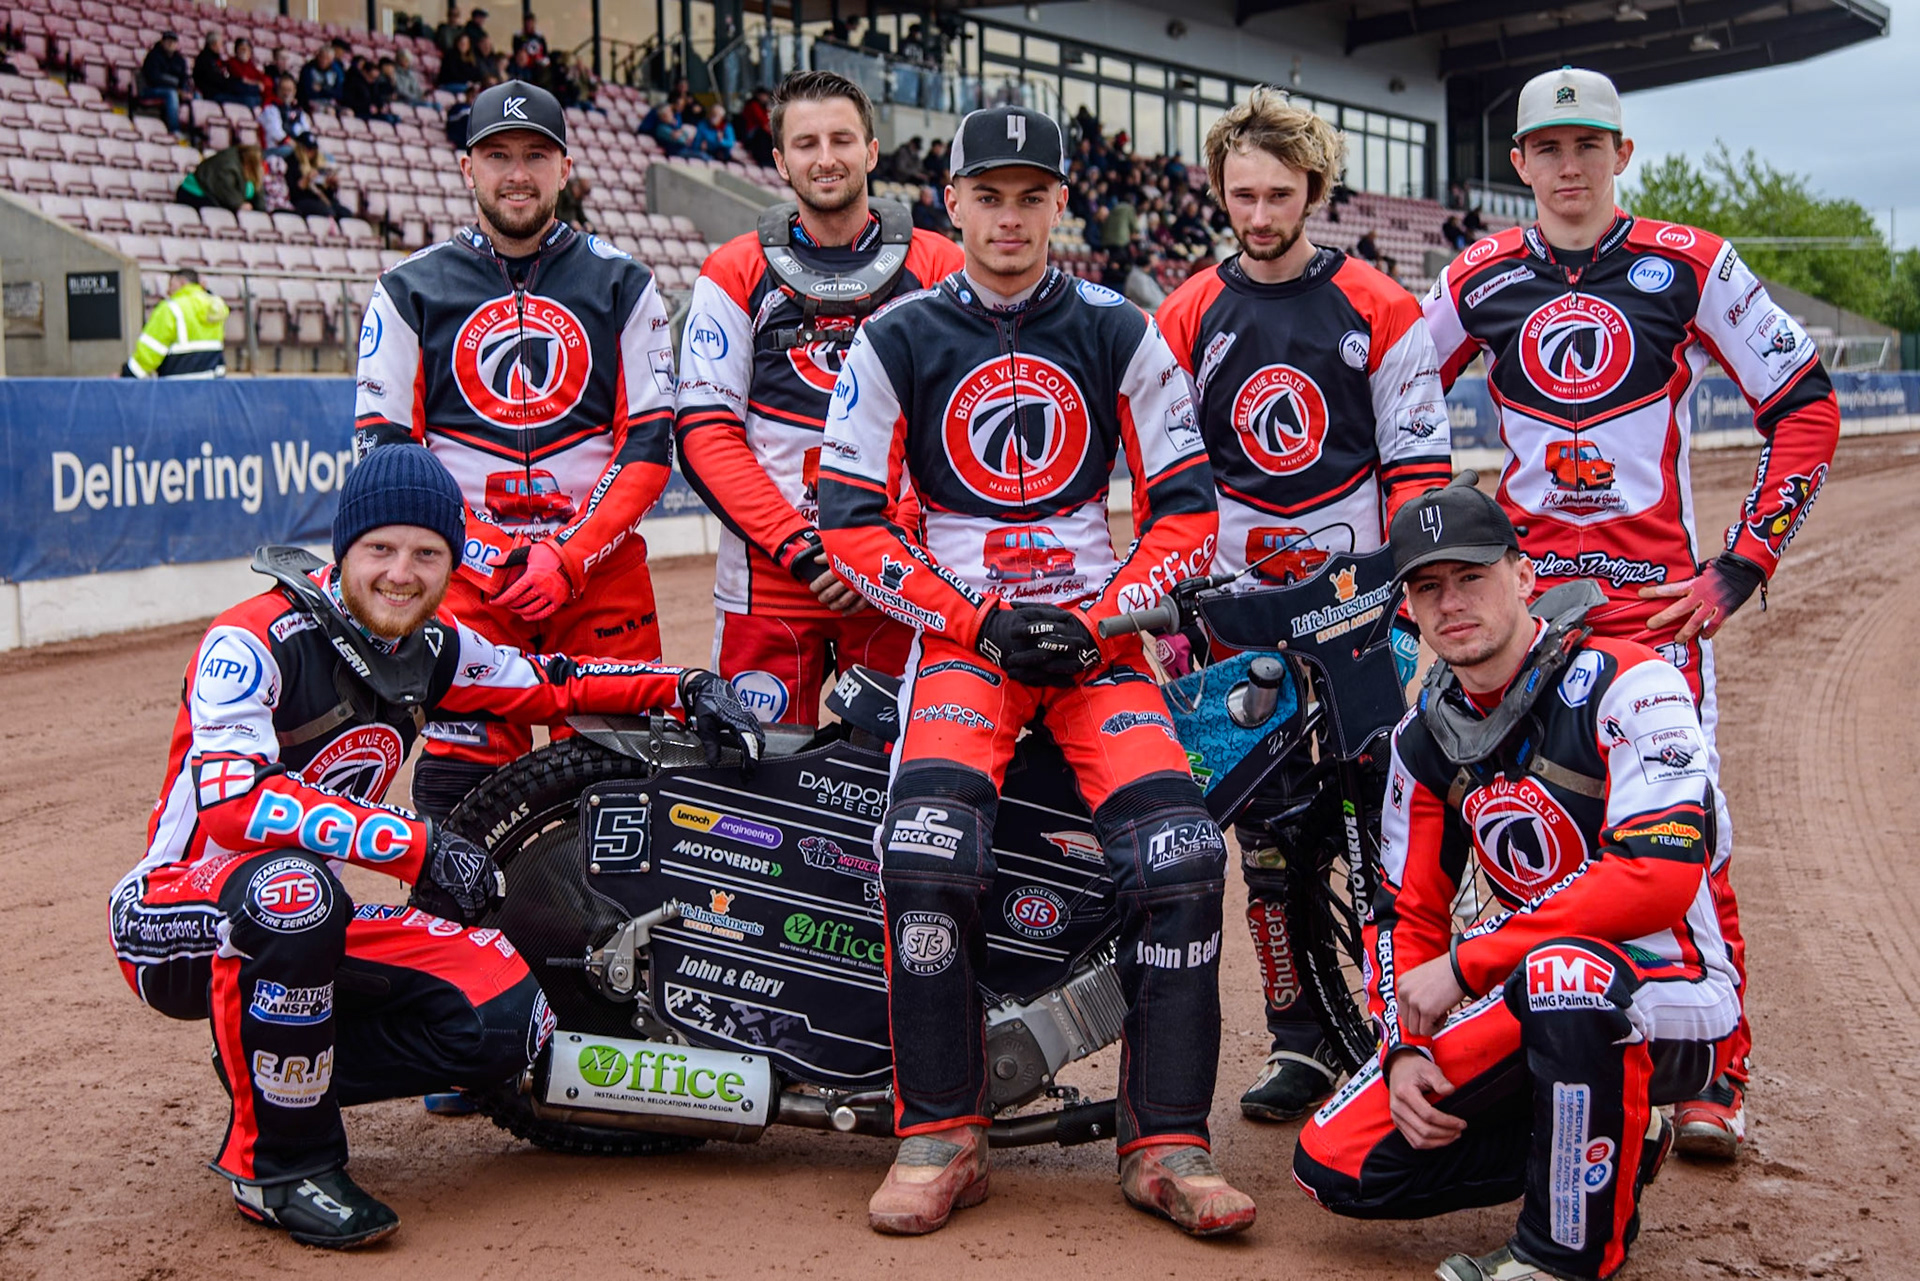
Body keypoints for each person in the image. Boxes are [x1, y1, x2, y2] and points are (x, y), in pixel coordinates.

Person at [108, 445, 762, 1250]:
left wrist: (681, 688)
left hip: (308, 914)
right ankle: (279, 1165)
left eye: (427, 553)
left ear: (453, 565)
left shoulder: (433, 646)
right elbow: (234, 802)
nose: (401, 573)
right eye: (379, 549)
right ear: (343, 549)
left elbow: (550, 680)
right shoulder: (248, 640)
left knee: (507, 1011)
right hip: (172, 908)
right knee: (295, 892)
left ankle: (281, 1075)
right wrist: (413, 844)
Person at [817, 104, 1255, 1238]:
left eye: (1032, 197)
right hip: (966, 647)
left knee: (1183, 854)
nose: (1010, 219)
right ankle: (942, 1134)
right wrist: (977, 617)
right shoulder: (897, 335)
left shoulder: (1121, 326)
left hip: (1098, 647)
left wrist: (1102, 620)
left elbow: (1188, 509)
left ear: (1062, 205)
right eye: (989, 196)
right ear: (950, 204)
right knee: (924, 849)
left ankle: (1165, 1145)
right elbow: (851, 523)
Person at [1420, 64, 1841, 1161]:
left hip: (1654, 620)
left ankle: (1716, 1073)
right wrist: (1423, 562)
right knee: (1505, 828)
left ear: (1622, 153)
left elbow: (1805, 408)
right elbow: (1395, 407)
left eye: (1588, 146)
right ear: (1517, 165)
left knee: (1681, 837)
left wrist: (1737, 571)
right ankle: (1542, 1046)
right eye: (1546, 150)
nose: (1568, 167)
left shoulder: (1693, 265)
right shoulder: (1476, 276)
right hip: (1517, 624)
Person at [1292, 476, 1740, 1281]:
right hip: (1536, 984)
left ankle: (1556, 1254)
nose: (1450, 602)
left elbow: (1656, 878)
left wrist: (1470, 963)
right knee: (1335, 1162)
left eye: (1471, 576)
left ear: (1525, 574)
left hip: (1676, 987)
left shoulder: (1632, 682)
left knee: (1560, 974)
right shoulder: (1422, 740)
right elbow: (1406, 912)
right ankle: (1614, 1133)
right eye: (1427, 587)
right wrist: (1402, 1045)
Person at [1155, 88, 1453, 1126]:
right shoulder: (1187, 311)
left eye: (1279, 194)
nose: (1259, 212)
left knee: (1385, 827)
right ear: (1221, 191)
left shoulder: (1381, 303)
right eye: (1241, 193)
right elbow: (1166, 478)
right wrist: (1177, 607)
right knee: (1267, 841)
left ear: (1313, 191)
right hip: (1232, 612)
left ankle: (1398, 1030)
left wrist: (1403, 598)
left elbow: (1419, 469)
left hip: (1361, 608)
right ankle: (1299, 1042)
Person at [353, 80, 680, 822]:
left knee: (617, 807)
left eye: (536, 154)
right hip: (471, 588)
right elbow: (383, 452)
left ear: (565, 167)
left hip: (599, 579)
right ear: (468, 168)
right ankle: (463, 942)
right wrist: (494, 556)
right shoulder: (408, 289)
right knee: (456, 807)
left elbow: (650, 442)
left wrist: (568, 556)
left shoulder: (625, 283)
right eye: (497, 155)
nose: (517, 174)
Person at [675, 72, 961, 729]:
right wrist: (804, 549)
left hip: (899, 580)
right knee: (755, 792)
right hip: (769, 579)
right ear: (779, 160)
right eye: (805, 143)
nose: (824, 157)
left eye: (840, 139)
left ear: (871, 150)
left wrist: (877, 548)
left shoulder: (939, 265)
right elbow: (705, 435)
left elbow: (951, 432)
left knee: (896, 778)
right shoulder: (733, 268)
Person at [123, 267, 227, 379]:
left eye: (171, 285)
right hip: (211, 384)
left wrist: (128, 374)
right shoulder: (213, 307)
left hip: (177, 387)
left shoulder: (169, 308)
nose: (168, 291)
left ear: (182, 282)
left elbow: (150, 351)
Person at [175, 143, 267, 213]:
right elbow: (228, 194)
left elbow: (258, 191)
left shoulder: (251, 172)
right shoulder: (228, 167)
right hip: (194, 193)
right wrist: (240, 204)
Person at [139, 31, 191, 136]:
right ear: (162, 42)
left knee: (195, 96)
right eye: (168, 41)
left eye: (174, 42)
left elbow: (184, 78)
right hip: (151, 89)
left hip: (175, 90)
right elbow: (154, 78)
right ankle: (174, 129)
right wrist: (177, 89)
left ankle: (193, 131)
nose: (171, 44)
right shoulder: (153, 56)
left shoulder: (179, 59)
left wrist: (184, 90)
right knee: (171, 94)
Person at [287, 133, 348, 218]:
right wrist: (307, 178)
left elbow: (326, 193)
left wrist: (330, 185)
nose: (311, 152)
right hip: (303, 200)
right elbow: (294, 192)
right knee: (328, 212)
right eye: (308, 149)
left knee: (345, 213)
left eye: (313, 149)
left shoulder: (318, 163)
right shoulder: (293, 162)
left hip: (320, 199)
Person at [195, 32, 262, 108]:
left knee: (250, 91)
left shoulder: (214, 58)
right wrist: (236, 82)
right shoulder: (205, 59)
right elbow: (218, 80)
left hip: (222, 90)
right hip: (214, 94)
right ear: (214, 45)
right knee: (249, 99)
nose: (222, 46)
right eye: (221, 44)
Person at [260, 75, 310, 159]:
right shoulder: (270, 109)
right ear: (278, 90)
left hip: (296, 150)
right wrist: (297, 147)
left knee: (325, 157)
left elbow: (306, 131)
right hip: (274, 150)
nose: (286, 93)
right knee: (296, 153)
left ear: (294, 91)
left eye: (289, 90)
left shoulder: (299, 111)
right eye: (283, 89)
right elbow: (277, 134)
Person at [343, 55, 399, 124]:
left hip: (372, 112)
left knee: (396, 118)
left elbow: (377, 97)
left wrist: (380, 106)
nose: (373, 80)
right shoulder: (353, 82)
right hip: (360, 112)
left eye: (375, 78)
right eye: (371, 77)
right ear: (364, 72)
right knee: (388, 119)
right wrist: (368, 108)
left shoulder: (373, 84)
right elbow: (349, 101)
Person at [298, 43, 344, 110]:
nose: (323, 61)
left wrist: (322, 89)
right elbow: (308, 92)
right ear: (318, 56)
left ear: (332, 60)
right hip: (311, 102)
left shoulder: (335, 72)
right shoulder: (308, 69)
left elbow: (339, 94)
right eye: (322, 57)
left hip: (329, 102)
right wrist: (329, 92)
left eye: (327, 58)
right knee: (329, 111)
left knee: (348, 112)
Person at [227, 37, 274, 102]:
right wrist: (256, 83)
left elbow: (261, 78)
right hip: (238, 92)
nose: (244, 51)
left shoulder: (250, 65)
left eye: (247, 49)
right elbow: (241, 78)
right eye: (242, 49)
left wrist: (262, 83)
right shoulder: (232, 62)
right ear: (236, 50)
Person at [737, 85, 774, 166]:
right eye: (764, 95)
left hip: (759, 132)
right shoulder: (753, 105)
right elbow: (762, 121)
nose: (766, 98)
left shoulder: (762, 106)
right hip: (751, 133)